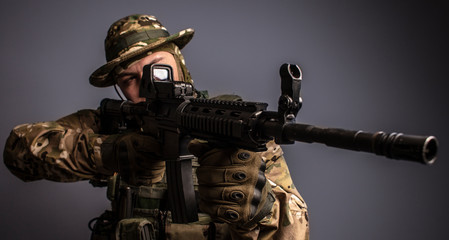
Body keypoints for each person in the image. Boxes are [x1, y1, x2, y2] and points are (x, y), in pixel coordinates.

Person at [3, 14, 309, 240]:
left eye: (157, 69)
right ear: (119, 89)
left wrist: (260, 211)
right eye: (129, 79)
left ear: (179, 62)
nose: (147, 85)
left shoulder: (234, 129)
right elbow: (19, 149)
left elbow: (296, 231)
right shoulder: (116, 121)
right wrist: (109, 153)